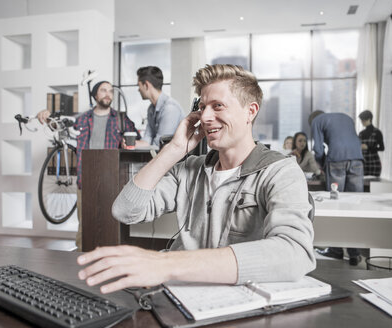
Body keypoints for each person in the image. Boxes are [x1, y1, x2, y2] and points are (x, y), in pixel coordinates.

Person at [76, 64, 316, 293]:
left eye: (218, 106)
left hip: (237, 304)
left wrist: (167, 264)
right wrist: (174, 149)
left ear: (250, 111)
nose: (206, 117)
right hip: (176, 296)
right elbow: (125, 210)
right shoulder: (190, 169)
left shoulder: (280, 171)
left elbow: (294, 253)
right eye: (202, 107)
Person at [37, 81, 140, 250]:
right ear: (94, 95)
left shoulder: (121, 119)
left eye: (110, 91)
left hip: (113, 182)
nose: (108, 94)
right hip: (85, 181)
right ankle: (79, 263)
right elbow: (59, 127)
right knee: (84, 229)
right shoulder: (82, 119)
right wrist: (47, 116)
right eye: (103, 90)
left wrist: (129, 142)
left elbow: (137, 141)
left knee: (113, 228)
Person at [308, 110, 363, 265]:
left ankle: (336, 250)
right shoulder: (346, 117)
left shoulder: (316, 121)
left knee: (336, 204)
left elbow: (318, 149)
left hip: (337, 159)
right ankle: (354, 252)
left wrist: (323, 165)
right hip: (357, 158)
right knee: (356, 206)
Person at [134, 66, 184, 148]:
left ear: (146, 85)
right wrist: (132, 144)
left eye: (138, 85)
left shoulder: (170, 109)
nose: (138, 89)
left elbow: (160, 145)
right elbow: (147, 140)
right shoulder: (151, 109)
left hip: (177, 158)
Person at [358, 110, 384, 177]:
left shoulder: (377, 132)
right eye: (361, 120)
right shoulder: (361, 134)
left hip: (374, 163)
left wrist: (368, 148)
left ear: (369, 119)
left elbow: (382, 148)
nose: (362, 122)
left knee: (374, 186)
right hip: (363, 164)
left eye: (363, 120)